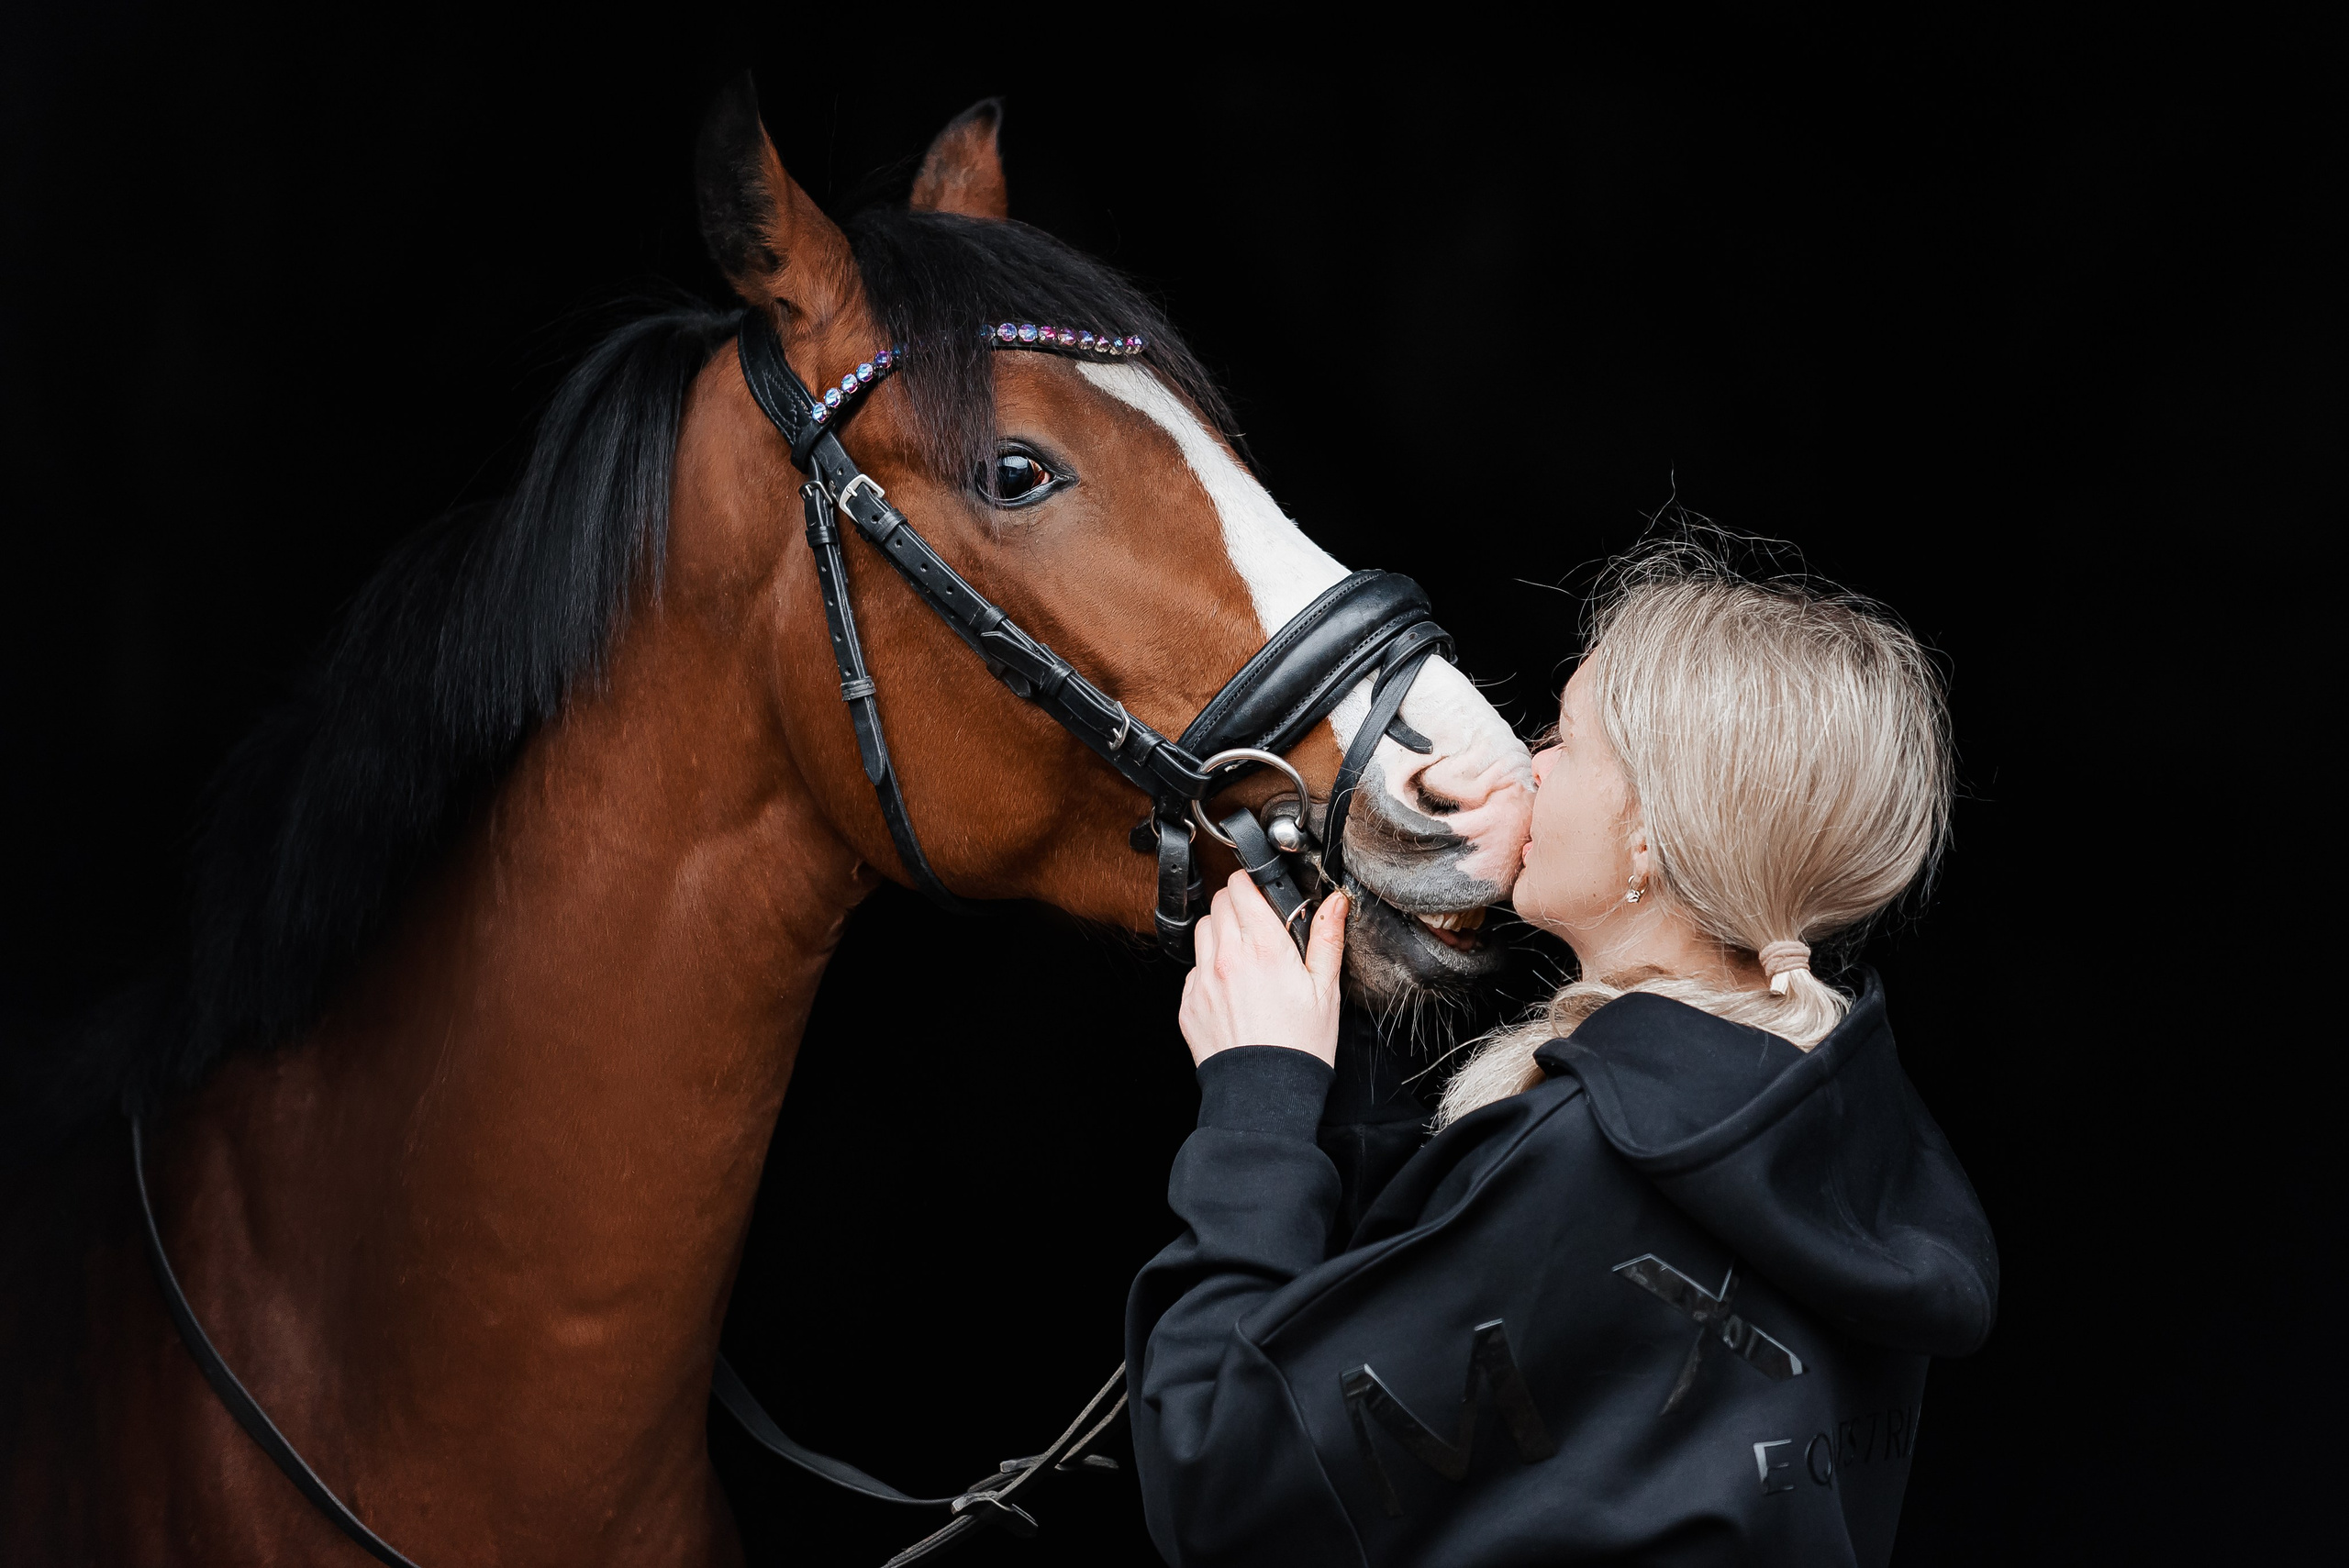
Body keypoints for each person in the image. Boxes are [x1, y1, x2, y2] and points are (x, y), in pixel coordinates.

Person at [1126, 550, 1998, 1566]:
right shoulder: (1847, 1142)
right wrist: (1361, 975)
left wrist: (1257, 1098)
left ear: (1650, 837)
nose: (1530, 763)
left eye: (1566, 740)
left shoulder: (1590, 1158)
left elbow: (1220, 1478)